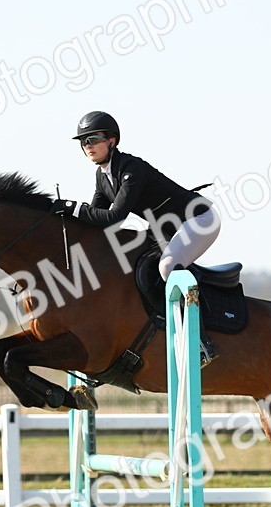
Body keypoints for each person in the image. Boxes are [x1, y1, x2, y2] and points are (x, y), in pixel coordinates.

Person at [51, 110, 221, 366]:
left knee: (167, 266)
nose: (88, 146)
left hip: (199, 219)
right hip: (168, 226)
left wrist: (73, 207)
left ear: (112, 141)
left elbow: (115, 217)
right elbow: (95, 218)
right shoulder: (103, 176)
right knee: (136, 263)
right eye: (83, 142)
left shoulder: (132, 169)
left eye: (93, 138)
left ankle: (201, 341)